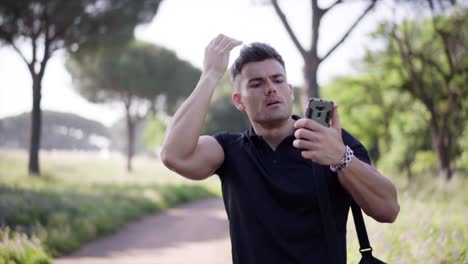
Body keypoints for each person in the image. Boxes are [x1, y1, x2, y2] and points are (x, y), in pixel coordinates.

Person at [161, 34, 399, 264]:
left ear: (289, 90)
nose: (271, 88)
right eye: (257, 83)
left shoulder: (332, 140)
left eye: (277, 80)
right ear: (239, 101)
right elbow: (174, 155)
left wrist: (340, 158)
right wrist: (210, 74)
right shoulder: (229, 150)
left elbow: (388, 210)